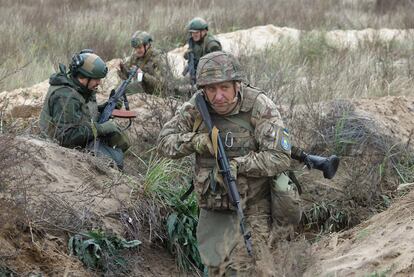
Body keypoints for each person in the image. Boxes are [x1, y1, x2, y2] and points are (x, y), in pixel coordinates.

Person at [157, 51, 302, 275]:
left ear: (237, 85)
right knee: (216, 269)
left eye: (224, 88)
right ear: (203, 90)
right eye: (211, 89)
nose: (218, 96)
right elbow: (164, 143)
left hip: (254, 206)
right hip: (215, 205)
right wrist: (196, 141)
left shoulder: (258, 106)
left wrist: (238, 165)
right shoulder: (196, 107)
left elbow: (279, 157)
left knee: (250, 267)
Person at [39, 49, 130, 169]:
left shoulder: (81, 88)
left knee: (118, 141)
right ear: (84, 77)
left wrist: (105, 108)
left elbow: (82, 112)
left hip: (78, 140)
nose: (99, 82)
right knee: (115, 161)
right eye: (96, 79)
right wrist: (101, 129)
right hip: (57, 152)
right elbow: (66, 137)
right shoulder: (66, 96)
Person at [118, 31, 167, 97]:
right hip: (141, 88)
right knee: (119, 88)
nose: (137, 50)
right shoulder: (135, 56)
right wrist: (122, 68)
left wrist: (143, 75)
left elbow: (161, 84)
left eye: (139, 47)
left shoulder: (158, 58)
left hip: (155, 94)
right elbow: (127, 76)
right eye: (135, 48)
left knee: (125, 90)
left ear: (147, 45)